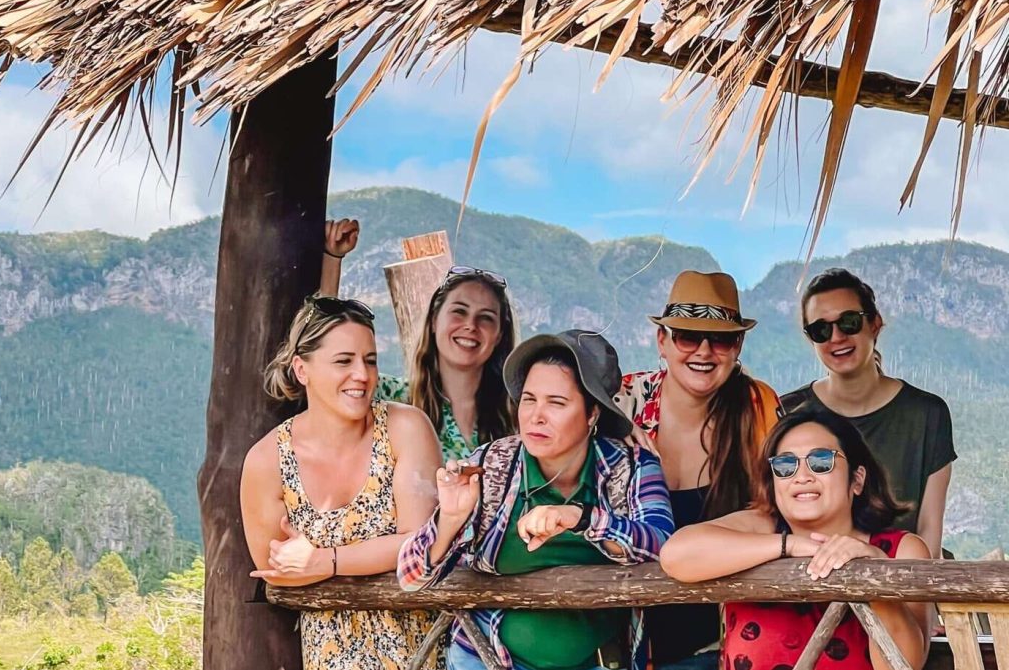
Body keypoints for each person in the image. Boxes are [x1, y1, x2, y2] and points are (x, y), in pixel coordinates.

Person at [398, 330, 674, 670]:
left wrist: (581, 517)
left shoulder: (631, 467)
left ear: (592, 414)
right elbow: (411, 576)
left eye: (556, 403)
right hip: (487, 659)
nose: (536, 416)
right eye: (529, 399)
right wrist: (450, 520)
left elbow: (663, 546)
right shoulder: (492, 465)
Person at [240, 294, 442, 670]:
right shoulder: (267, 462)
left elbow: (422, 544)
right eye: (343, 361)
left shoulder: (405, 428)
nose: (362, 376)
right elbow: (279, 573)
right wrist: (376, 554)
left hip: (423, 653)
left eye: (370, 360)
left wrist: (326, 562)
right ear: (302, 370)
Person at [660, 408, 930, 670]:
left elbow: (904, 664)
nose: (802, 476)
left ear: (857, 479)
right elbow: (675, 555)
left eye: (821, 461)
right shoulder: (759, 528)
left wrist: (875, 575)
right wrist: (789, 546)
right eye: (785, 465)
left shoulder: (900, 550)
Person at [613, 270, 782, 670]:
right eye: (688, 336)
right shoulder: (622, 404)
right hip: (630, 639)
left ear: (738, 345)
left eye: (721, 339)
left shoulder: (758, 407)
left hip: (730, 640)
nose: (704, 351)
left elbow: (784, 505)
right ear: (663, 342)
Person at [781, 268, 955, 557]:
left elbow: (929, 530)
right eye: (820, 330)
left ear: (874, 324)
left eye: (848, 322)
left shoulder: (926, 414)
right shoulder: (790, 412)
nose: (836, 337)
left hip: (903, 579)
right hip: (811, 580)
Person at [320, 218, 517, 461]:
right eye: (459, 311)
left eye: (486, 318)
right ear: (434, 321)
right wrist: (332, 259)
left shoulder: (516, 415)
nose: (470, 326)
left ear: (499, 335)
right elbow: (322, 360)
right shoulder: (393, 399)